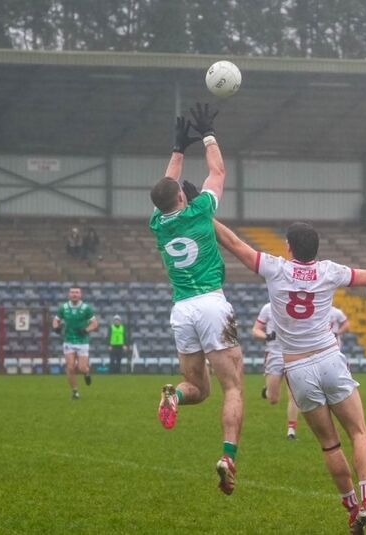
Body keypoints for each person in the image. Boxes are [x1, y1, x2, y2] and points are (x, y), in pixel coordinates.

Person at [214, 219, 366, 534]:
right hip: (330, 359)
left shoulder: (274, 267)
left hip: (298, 369)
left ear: (288, 247)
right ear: (316, 248)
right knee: (358, 434)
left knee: (330, 446)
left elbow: (235, 244)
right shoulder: (330, 271)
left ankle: (351, 510)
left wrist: (203, 213)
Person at [150, 103, 244, 496]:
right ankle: (227, 456)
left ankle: (172, 393)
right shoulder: (201, 210)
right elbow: (218, 173)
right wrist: (207, 135)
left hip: (181, 310)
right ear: (184, 199)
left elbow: (166, 188)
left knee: (198, 389)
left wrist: (176, 149)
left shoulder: (157, 223)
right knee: (233, 387)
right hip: (210, 303)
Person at [253, 303, 300, 439]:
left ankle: (291, 430)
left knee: (294, 394)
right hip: (274, 354)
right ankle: (267, 389)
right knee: (273, 399)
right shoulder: (268, 308)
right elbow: (255, 330)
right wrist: (267, 336)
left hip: (293, 354)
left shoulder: (297, 306)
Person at [52, 287, 98, 400]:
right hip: (69, 341)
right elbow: (56, 320)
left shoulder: (86, 308)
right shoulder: (64, 307)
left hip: (82, 341)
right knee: (70, 367)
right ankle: (75, 392)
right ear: (69, 294)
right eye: (72, 292)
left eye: (77, 292)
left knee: (82, 368)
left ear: (80, 295)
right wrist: (56, 328)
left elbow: (95, 323)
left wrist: (86, 330)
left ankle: (86, 373)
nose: (74, 294)